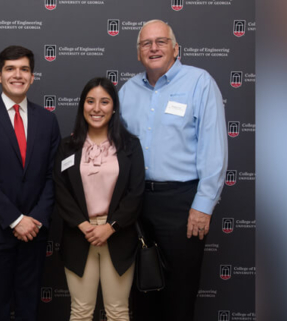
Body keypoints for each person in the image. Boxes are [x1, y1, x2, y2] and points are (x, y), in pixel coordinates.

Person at [118, 20, 228, 321]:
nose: (153, 48)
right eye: (146, 43)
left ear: (176, 48)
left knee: (180, 295)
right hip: (138, 204)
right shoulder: (127, 92)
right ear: (138, 53)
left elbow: (214, 148)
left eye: (161, 41)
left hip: (182, 204)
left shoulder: (199, 82)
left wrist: (203, 206)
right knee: (142, 293)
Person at [0, 45, 61, 321]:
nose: (17, 75)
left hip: (35, 232)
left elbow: (52, 177)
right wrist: (16, 220)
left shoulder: (48, 120)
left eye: (24, 69)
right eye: (10, 69)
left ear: (32, 77)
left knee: (30, 308)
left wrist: (35, 220)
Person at [54, 77, 144, 321]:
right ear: (82, 105)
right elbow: (61, 191)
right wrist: (84, 226)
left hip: (119, 235)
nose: (96, 108)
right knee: (81, 311)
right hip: (78, 236)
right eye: (90, 101)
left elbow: (135, 193)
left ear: (114, 107)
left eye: (104, 102)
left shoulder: (130, 146)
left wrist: (110, 227)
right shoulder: (67, 147)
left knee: (117, 311)